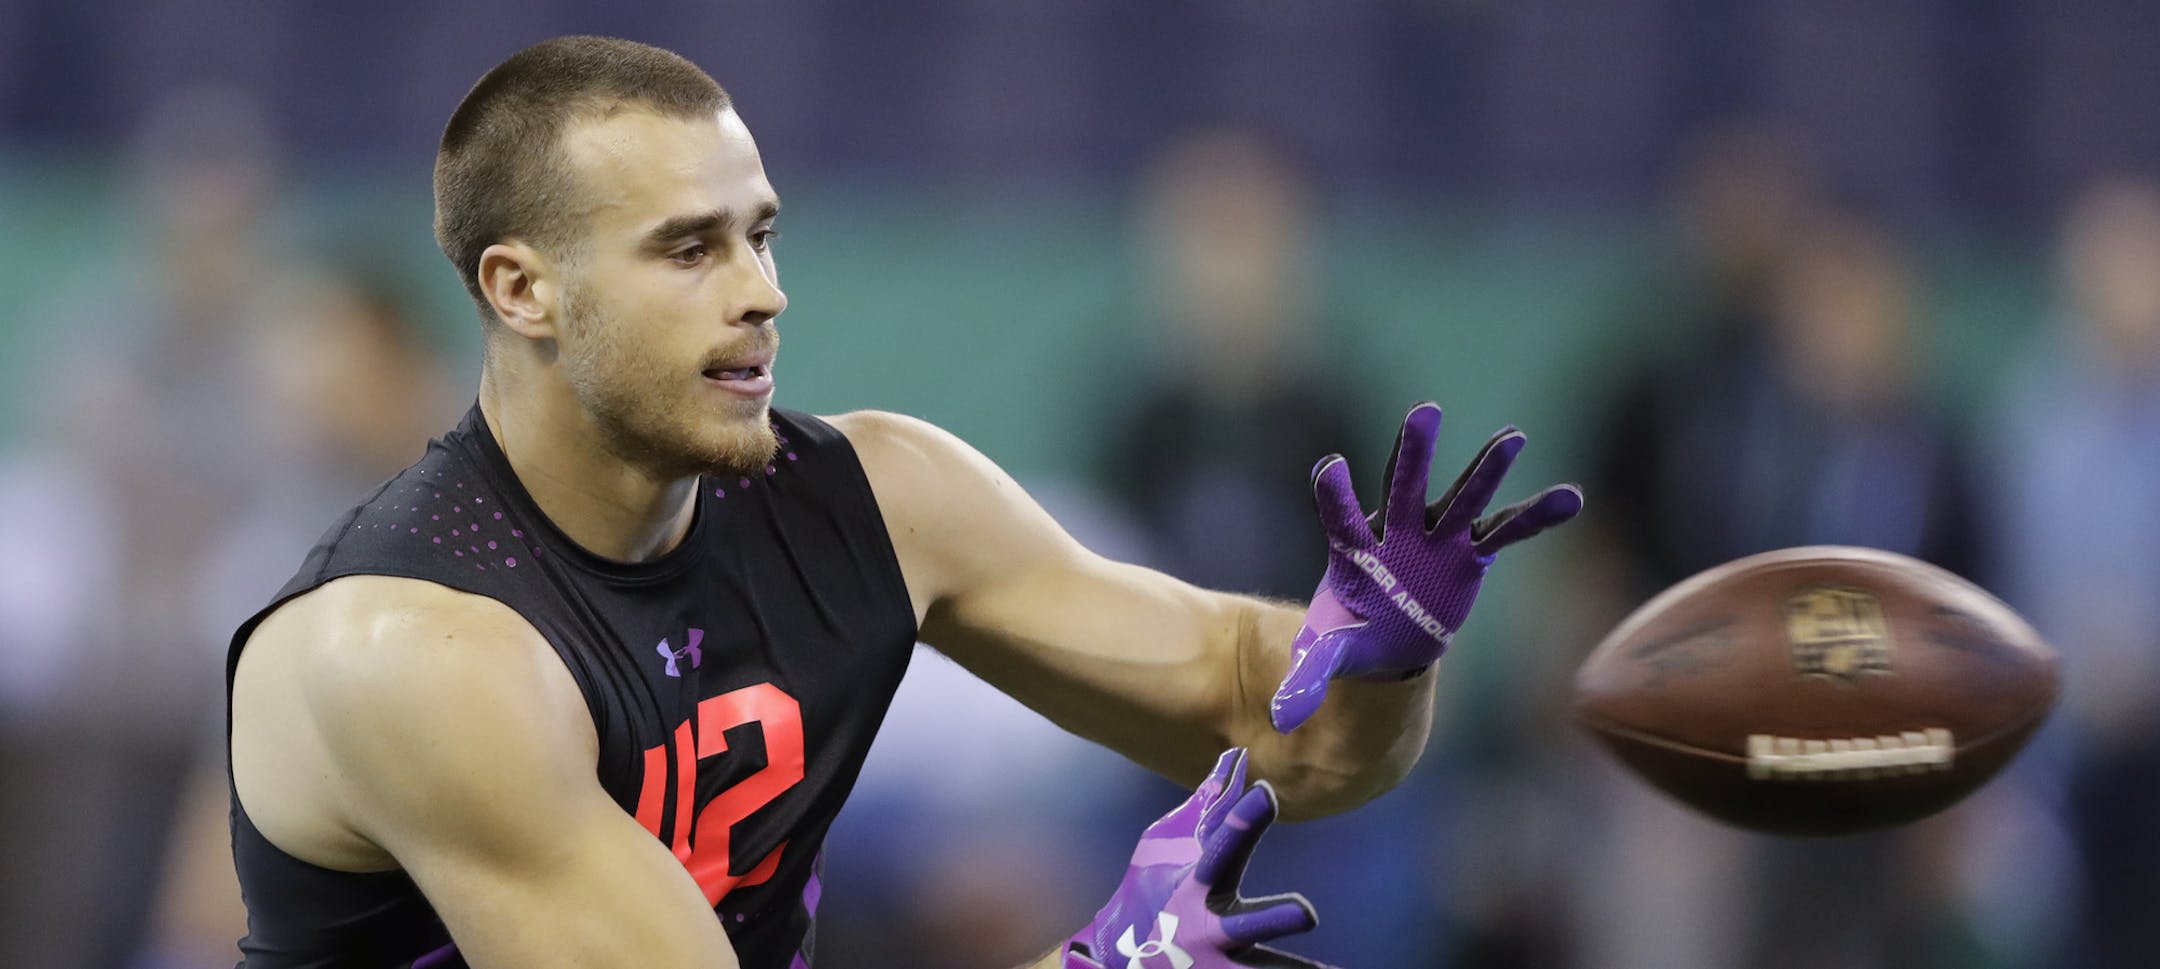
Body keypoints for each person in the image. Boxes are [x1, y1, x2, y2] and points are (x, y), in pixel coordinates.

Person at [225, 36, 1580, 969]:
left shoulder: (878, 497)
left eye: (760, 231)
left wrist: (1383, 650)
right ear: (521, 290)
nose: (762, 290)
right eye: (688, 248)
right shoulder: (419, 646)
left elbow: (1279, 725)